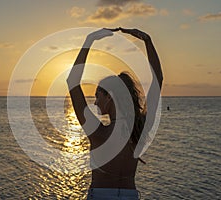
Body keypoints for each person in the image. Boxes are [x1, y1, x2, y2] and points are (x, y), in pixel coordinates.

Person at [66, 27, 163, 200]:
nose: (95, 102)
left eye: (97, 96)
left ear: (109, 96)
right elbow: (157, 81)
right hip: (130, 196)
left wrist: (89, 41)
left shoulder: (100, 133)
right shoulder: (139, 128)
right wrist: (148, 42)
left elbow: (72, 82)